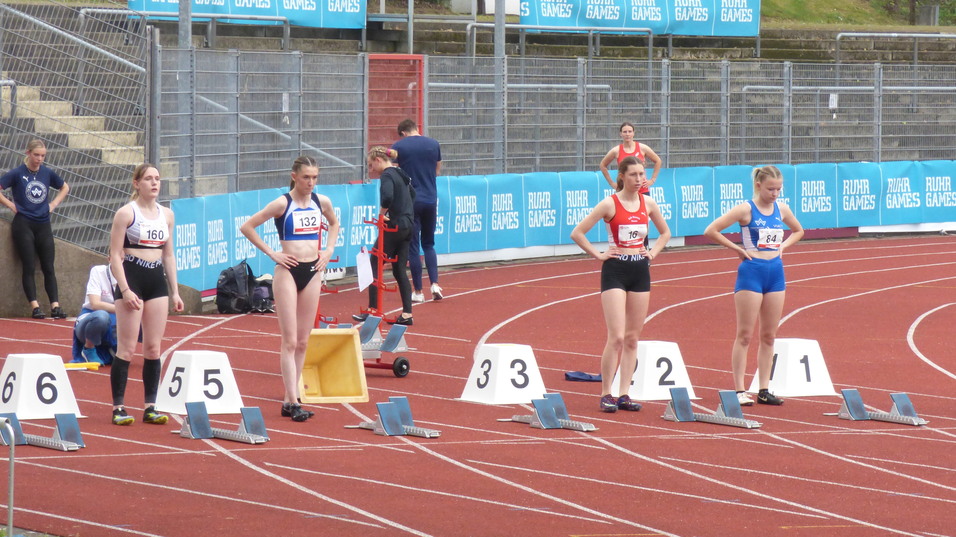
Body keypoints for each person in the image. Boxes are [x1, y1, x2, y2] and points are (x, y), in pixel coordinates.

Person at [241, 156, 339, 422]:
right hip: (287, 272)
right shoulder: (282, 204)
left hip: (313, 271)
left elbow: (334, 223)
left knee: (304, 341)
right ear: (294, 176)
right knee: (290, 341)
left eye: (315, 177)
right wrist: (273, 253)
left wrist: (328, 250)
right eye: (306, 177)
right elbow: (247, 226)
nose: (311, 182)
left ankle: (290, 399)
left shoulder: (321, 202)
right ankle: (294, 401)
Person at [571, 157, 671, 412]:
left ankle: (624, 393)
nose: (639, 179)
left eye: (642, 174)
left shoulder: (648, 203)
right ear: (622, 177)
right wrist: (599, 254)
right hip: (615, 270)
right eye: (634, 174)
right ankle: (606, 393)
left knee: (632, 338)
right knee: (616, 336)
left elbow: (665, 232)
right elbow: (577, 232)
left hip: (640, 270)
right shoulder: (610, 203)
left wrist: (653, 252)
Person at [703, 165, 805, 407]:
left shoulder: (782, 209)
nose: (775, 194)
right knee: (745, 335)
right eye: (770, 189)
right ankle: (739, 390)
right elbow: (711, 230)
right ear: (759, 186)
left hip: (776, 273)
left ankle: (763, 390)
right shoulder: (745, 209)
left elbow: (799, 230)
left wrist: (783, 246)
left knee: (769, 336)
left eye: (778, 189)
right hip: (751, 273)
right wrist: (737, 249)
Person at [108, 163, 184, 426]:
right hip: (132, 279)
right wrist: (125, 289)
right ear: (136, 183)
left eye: (157, 179)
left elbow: (168, 255)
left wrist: (175, 291)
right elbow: (114, 255)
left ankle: (150, 407)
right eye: (149, 179)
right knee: (127, 348)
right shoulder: (126, 213)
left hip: (156, 282)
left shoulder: (167, 215)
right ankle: (118, 408)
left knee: (153, 348)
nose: (154, 183)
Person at [0, 139, 70, 319]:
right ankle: (35, 306)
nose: (39, 159)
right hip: (24, 223)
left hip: (43, 223)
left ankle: (55, 305)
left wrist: (53, 204)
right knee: (29, 265)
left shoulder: (46, 172)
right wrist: (11, 205)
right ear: (28, 153)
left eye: (43, 156)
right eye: (36, 155)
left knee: (48, 266)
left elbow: (64, 187)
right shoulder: (17, 173)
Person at [352, 147, 415, 326]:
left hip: (394, 226)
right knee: (399, 270)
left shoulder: (387, 175)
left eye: (371, 165)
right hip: (408, 225)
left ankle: (373, 310)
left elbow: (387, 197)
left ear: (378, 160)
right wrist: (405, 213)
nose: (371, 170)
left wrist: (382, 214)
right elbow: (413, 194)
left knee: (375, 262)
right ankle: (407, 314)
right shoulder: (401, 173)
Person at [391, 118, 443, 303]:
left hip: (411, 201)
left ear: (403, 133)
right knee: (429, 244)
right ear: (416, 128)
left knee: (413, 247)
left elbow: (393, 173)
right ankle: (435, 284)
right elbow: (437, 170)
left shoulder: (399, 146)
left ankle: (418, 291)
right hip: (430, 198)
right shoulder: (433, 144)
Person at [71, 264, 118, 366]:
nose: (121, 263)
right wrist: (123, 310)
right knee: (101, 316)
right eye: (119, 258)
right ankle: (89, 348)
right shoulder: (98, 271)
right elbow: (95, 304)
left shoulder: (132, 274)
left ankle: (150, 356)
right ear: (110, 259)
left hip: (117, 318)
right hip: (90, 317)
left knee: (143, 320)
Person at [599, 121, 662, 194]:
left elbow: (658, 161)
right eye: (625, 132)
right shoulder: (616, 150)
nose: (627, 134)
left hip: (642, 190)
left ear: (633, 133)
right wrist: (612, 183)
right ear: (621, 134)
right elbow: (602, 165)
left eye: (630, 131)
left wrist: (652, 180)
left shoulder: (642, 148)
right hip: (624, 190)